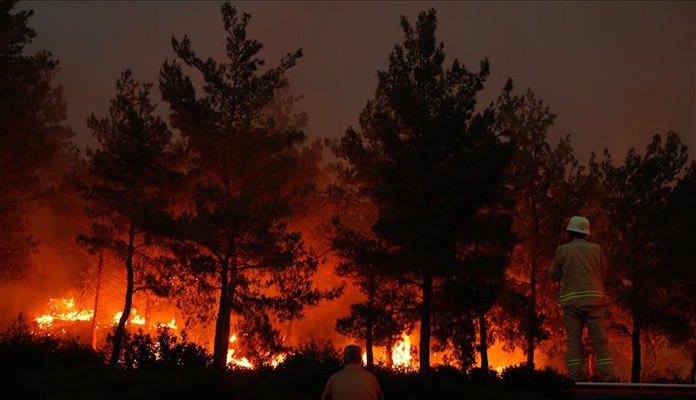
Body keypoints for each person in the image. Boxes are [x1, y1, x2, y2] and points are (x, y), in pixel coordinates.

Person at [549, 216, 616, 382]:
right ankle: (608, 376)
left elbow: (553, 275)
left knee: (573, 342)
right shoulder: (596, 249)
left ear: (570, 231)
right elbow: (604, 270)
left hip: (571, 304)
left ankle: (575, 377)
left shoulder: (562, 250)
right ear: (587, 232)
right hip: (595, 302)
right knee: (600, 341)